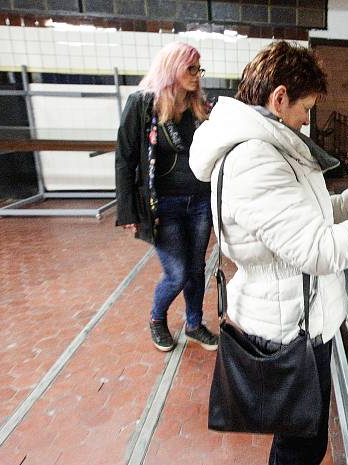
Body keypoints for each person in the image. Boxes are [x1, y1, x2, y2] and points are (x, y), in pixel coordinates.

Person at [189, 41, 348, 465]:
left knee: (300, 439)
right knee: (300, 446)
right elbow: (318, 249)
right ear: (279, 97)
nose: (307, 121)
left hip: (292, 314)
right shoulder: (255, 159)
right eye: (305, 110)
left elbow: (314, 217)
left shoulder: (270, 147)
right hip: (287, 327)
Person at [115, 42, 218, 352]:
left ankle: (194, 324)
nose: (197, 75)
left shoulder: (202, 107)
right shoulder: (143, 104)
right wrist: (128, 212)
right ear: (172, 66)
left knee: (197, 268)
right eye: (191, 68)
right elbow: (125, 159)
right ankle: (157, 318)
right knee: (178, 273)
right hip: (163, 206)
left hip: (199, 201)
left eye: (199, 69)